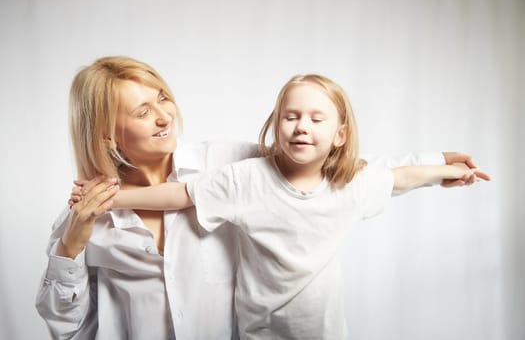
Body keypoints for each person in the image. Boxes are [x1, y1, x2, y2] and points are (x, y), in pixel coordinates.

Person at [35, 56, 488, 340]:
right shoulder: (85, 215)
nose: (164, 116)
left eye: (163, 99)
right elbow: (65, 327)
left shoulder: (229, 166)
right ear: (107, 133)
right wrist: (72, 244)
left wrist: (435, 163)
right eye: (142, 111)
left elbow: (331, 167)